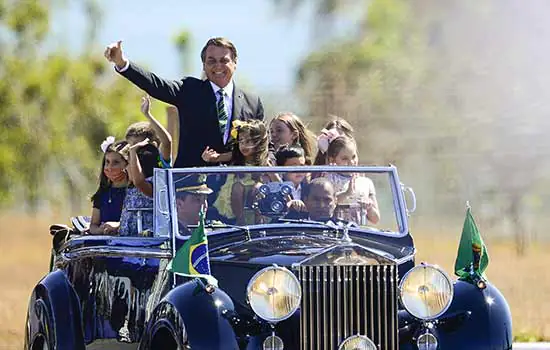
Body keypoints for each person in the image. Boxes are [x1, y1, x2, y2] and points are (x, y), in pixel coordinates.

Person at [104, 37, 264, 168]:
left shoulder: (252, 102)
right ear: (204, 65)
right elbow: (156, 85)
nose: (218, 66)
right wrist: (122, 63)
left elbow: (262, 145)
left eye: (224, 60)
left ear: (235, 63)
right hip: (192, 187)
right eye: (211, 61)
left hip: (237, 189)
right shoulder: (189, 90)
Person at [209, 120, 270, 225]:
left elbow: (276, 178)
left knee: (259, 187)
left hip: (253, 190)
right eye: (241, 141)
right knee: (238, 186)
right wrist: (209, 157)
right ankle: (241, 220)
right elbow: (218, 157)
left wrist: (288, 199)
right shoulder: (236, 157)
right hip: (235, 191)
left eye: (248, 142)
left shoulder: (264, 162)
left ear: (258, 142)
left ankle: (260, 220)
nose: (244, 146)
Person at [323, 135, 380, 224]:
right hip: (335, 231)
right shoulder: (327, 181)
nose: (351, 162)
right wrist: (346, 194)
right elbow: (324, 208)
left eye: (353, 157)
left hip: (359, 233)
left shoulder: (365, 182)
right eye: (345, 159)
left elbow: (375, 219)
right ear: (332, 160)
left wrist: (369, 206)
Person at [119, 140, 160, 236]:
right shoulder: (131, 186)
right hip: (128, 236)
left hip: (145, 238)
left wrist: (133, 151)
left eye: (128, 164)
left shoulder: (152, 183)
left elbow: (139, 181)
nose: (125, 168)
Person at [89, 139, 129, 235]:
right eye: (107, 162)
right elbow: (93, 225)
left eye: (115, 162)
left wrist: (119, 226)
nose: (110, 168)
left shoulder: (135, 192)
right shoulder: (102, 194)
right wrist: (100, 230)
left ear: (128, 164)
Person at [140, 95, 173, 167]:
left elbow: (166, 142)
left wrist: (147, 115)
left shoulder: (159, 160)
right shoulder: (131, 164)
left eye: (139, 146)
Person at [275, 144, 308, 211]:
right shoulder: (276, 190)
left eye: (302, 166)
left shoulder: (308, 187)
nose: (299, 170)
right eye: (294, 167)